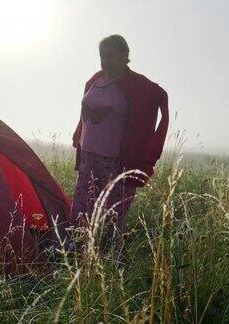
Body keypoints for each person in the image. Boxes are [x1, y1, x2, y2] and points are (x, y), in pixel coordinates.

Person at [71, 34, 169, 251]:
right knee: (82, 207)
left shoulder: (137, 86)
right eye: (102, 56)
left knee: (112, 212)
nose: (105, 61)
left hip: (115, 160)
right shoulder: (95, 80)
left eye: (110, 56)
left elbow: (160, 97)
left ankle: (109, 258)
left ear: (125, 55)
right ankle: (79, 251)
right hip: (88, 155)